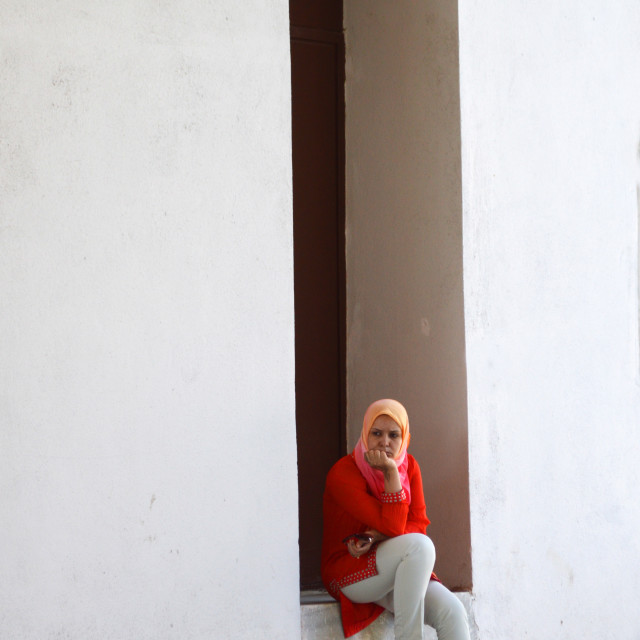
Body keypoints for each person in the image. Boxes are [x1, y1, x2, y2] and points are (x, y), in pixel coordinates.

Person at [321, 398, 470, 640]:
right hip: (348, 569)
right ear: (365, 433)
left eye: (394, 435)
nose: (385, 442)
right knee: (420, 547)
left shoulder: (410, 466)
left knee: (452, 612)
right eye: (376, 433)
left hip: (396, 562)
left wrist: (375, 536)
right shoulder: (344, 473)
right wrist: (391, 472)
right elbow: (395, 526)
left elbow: (418, 524)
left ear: (405, 439)